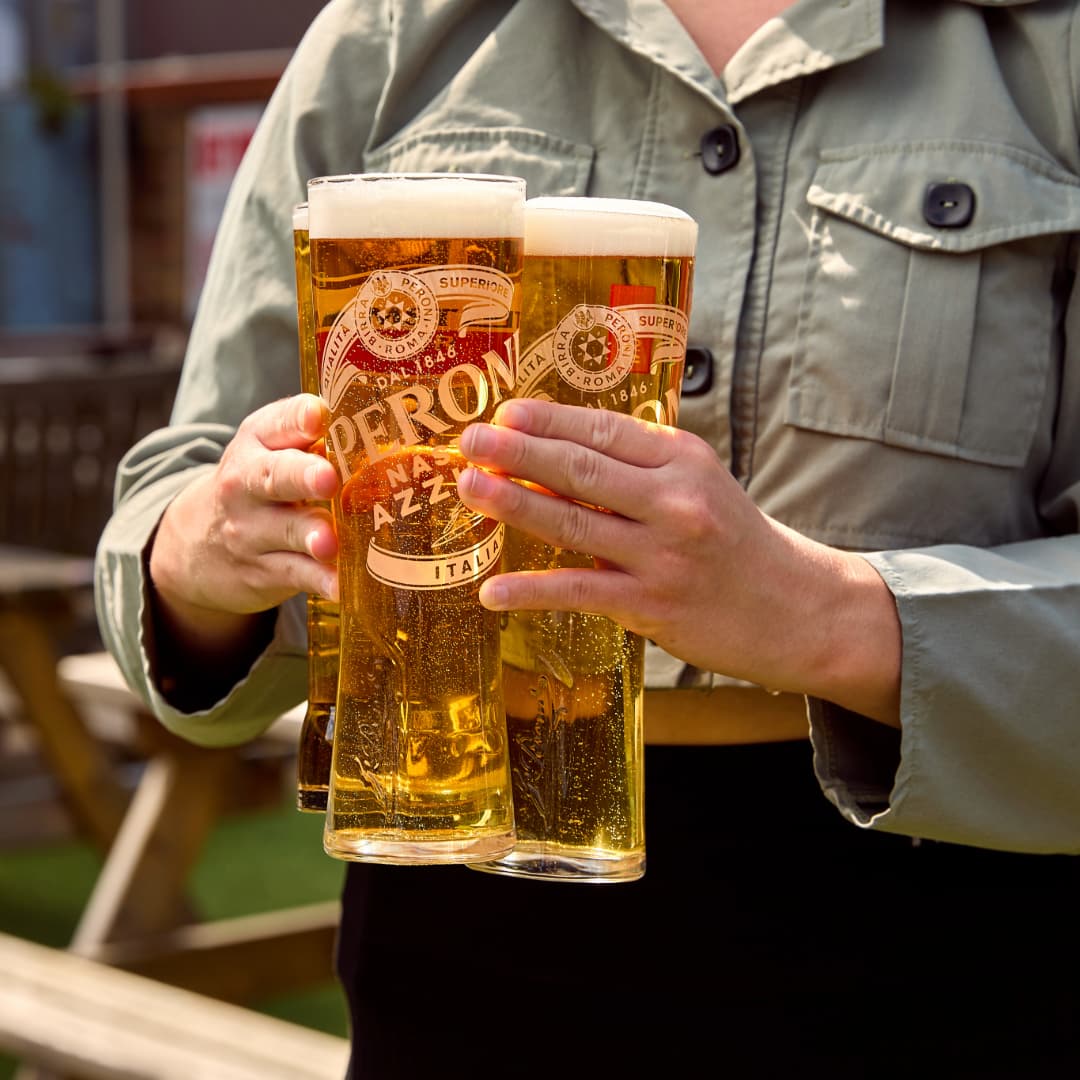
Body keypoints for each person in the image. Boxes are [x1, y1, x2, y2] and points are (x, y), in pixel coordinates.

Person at [95, 0, 1080, 1075]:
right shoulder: (394, 30)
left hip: (951, 945)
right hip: (453, 928)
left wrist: (824, 614)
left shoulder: (1049, 45)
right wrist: (195, 562)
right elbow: (186, 481)